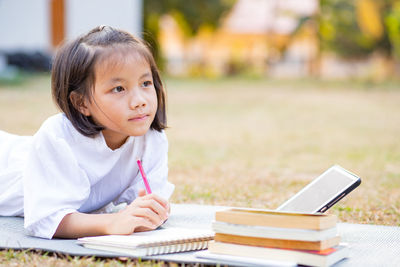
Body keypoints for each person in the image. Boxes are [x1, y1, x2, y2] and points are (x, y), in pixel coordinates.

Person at [0, 25, 175, 239]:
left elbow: (150, 204)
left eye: (146, 83)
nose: (140, 101)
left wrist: (152, 211)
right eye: (118, 88)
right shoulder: (58, 138)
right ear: (81, 103)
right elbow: (46, 219)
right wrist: (112, 223)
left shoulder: (151, 140)